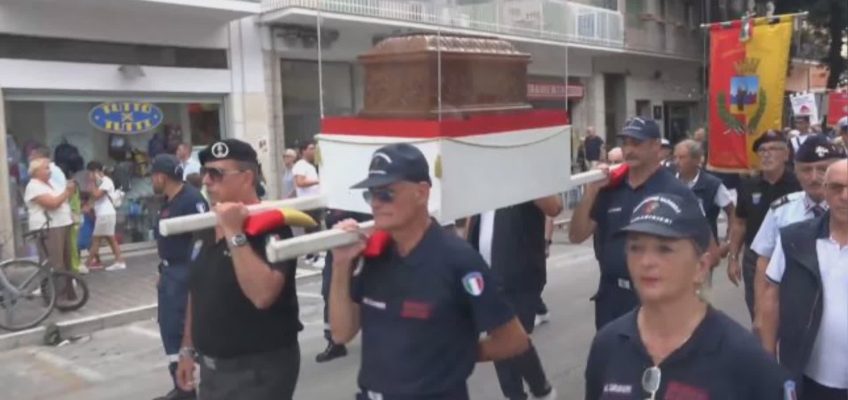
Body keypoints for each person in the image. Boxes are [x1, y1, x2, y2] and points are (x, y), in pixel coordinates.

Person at [329, 143, 531, 399]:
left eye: (387, 194)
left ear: (421, 193)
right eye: (371, 195)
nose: (376, 204)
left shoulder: (458, 260)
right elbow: (341, 333)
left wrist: (456, 355)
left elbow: (514, 340)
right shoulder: (373, 255)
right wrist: (341, 264)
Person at [584, 193, 793, 400]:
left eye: (664, 249)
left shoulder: (745, 358)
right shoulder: (608, 344)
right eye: (635, 248)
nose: (646, 261)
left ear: (701, 267)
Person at [175, 139, 303, 400]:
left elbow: (263, 294)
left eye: (216, 174)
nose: (207, 181)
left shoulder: (273, 225)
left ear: (247, 178)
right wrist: (187, 349)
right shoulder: (206, 226)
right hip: (212, 369)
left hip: (258, 369)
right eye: (204, 173)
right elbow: (196, 292)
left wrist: (234, 232)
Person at [569, 117, 707, 330]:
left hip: (654, 297)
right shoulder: (610, 189)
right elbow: (576, 235)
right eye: (625, 143)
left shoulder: (675, 191)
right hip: (611, 298)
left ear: (655, 147)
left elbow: (703, 247)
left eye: (636, 143)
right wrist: (591, 192)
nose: (629, 150)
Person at [758, 159, 848, 399]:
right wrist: (768, 362)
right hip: (807, 376)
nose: (845, 196)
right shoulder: (795, 239)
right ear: (826, 191)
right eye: (837, 187)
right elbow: (771, 298)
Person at [466, 197, 562, 400]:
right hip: (486, 276)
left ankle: (538, 389)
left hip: (520, 277)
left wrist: (524, 182)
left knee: (513, 340)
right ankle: (531, 391)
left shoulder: (521, 178)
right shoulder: (482, 182)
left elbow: (555, 207)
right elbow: (472, 219)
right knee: (501, 345)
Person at [749, 135, 842, 324]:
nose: (814, 177)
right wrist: (761, 312)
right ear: (796, 172)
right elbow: (763, 262)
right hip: (792, 308)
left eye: (822, 169)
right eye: (806, 170)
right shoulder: (781, 210)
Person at [150, 154, 208, 400]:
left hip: (185, 273)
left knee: (182, 327)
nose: (152, 180)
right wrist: (162, 270)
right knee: (169, 328)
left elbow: (202, 239)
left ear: (161, 176)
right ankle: (181, 385)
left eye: (153, 175)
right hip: (170, 271)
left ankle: (189, 388)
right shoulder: (169, 201)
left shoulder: (191, 200)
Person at [726, 130, 800, 319]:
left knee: (789, 313)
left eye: (774, 149)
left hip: (791, 256)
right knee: (758, 312)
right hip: (755, 258)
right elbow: (740, 222)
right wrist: (733, 257)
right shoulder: (749, 185)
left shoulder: (799, 184)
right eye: (762, 150)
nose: (767, 154)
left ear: (786, 155)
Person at [315, 209, 371, 363]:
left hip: (362, 246)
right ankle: (334, 342)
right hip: (337, 247)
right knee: (329, 291)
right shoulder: (332, 201)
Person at [25, 158, 77, 303]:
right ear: (36, 172)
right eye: (46, 168)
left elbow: (63, 200)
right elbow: (52, 204)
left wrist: (68, 192)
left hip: (62, 224)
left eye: (49, 168)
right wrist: (67, 191)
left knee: (66, 262)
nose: (50, 171)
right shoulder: (34, 186)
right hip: (48, 227)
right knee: (54, 263)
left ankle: (67, 295)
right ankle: (55, 298)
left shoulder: (52, 183)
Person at [673, 139, 734, 242]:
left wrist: (728, 242)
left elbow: (732, 212)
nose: (676, 162)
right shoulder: (670, 182)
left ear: (696, 160)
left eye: (682, 157)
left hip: (705, 247)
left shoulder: (712, 184)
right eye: (675, 157)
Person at [85, 161, 125, 271]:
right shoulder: (100, 182)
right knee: (111, 239)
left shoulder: (106, 181)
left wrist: (93, 182)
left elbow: (97, 195)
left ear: (96, 172)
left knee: (96, 240)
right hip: (103, 214)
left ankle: (86, 265)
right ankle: (119, 261)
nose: (89, 175)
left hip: (105, 214)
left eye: (90, 172)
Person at [293, 140, 324, 267]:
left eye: (314, 148)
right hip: (308, 203)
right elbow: (300, 182)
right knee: (313, 229)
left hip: (314, 202)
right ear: (303, 151)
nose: (313, 151)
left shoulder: (310, 165)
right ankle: (314, 256)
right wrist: (318, 181)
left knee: (314, 229)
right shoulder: (300, 165)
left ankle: (312, 255)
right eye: (311, 148)